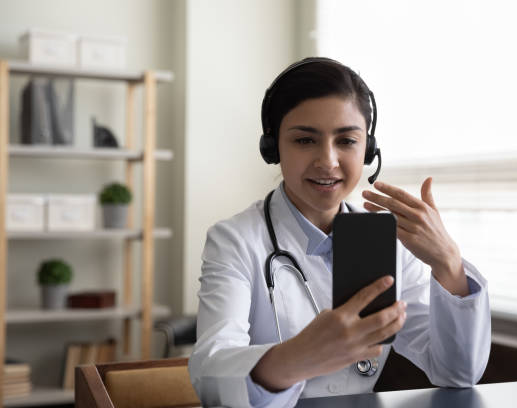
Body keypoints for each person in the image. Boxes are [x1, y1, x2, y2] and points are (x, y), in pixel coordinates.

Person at [188, 57, 491, 408]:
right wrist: (301, 355)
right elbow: (210, 378)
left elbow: (457, 373)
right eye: (305, 140)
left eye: (346, 140)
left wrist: (448, 262)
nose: (328, 161)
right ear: (272, 148)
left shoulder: (391, 241)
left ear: (368, 150)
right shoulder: (235, 240)